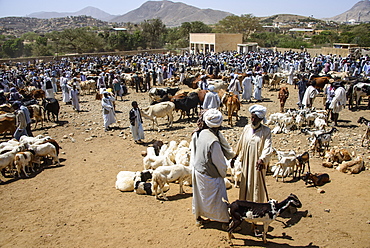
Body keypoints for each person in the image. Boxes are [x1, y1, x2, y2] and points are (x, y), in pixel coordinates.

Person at [190, 109, 235, 229]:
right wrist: (223, 174)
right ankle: (225, 222)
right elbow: (219, 162)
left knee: (200, 197)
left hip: (199, 171)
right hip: (210, 175)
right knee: (218, 199)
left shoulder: (201, 133)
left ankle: (199, 217)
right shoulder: (214, 141)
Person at [232, 105, 273, 203]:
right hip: (246, 162)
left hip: (257, 164)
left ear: (260, 119)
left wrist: (262, 159)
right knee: (245, 182)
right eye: (252, 117)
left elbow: (268, 147)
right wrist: (235, 156)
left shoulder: (266, 131)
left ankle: (256, 205)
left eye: (255, 118)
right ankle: (244, 204)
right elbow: (240, 143)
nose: (253, 120)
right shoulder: (246, 128)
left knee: (256, 183)